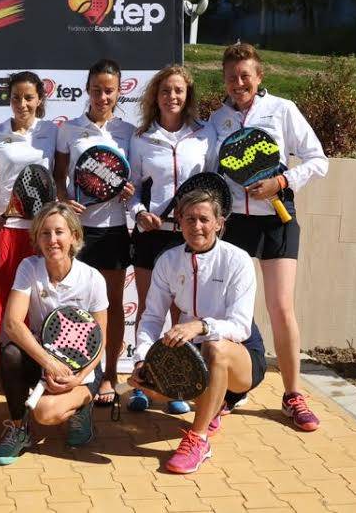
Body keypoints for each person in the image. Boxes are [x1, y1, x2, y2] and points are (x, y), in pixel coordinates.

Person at [208, 43, 328, 431]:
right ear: (224, 80)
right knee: (230, 310)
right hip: (234, 225)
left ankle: (293, 394)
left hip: (278, 220)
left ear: (259, 77)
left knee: (280, 308)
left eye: (245, 75)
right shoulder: (216, 119)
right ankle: (230, 390)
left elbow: (318, 160)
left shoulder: (282, 109)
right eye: (231, 77)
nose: (238, 83)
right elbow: (211, 171)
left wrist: (281, 181)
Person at [129, 189, 266, 474]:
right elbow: (152, 317)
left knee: (216, 347)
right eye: (189, 219)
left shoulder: (238, 260)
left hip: (241, 356)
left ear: (219, 223)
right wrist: (142, 358)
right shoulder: (168, 260)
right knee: (152, 389)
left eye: (204, 219)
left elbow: (241, 326)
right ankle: (214, 405)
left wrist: (201, 325)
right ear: (179, 221)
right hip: (196, 353)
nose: (197, 226)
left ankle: (199, 438)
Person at [126, 65, 216, 414]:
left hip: (188, 238)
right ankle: (143, 381)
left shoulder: (204, 135)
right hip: (151, 235)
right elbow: (132, 189)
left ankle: (175, 384)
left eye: (179, 90)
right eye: (165, 90)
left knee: (182, 315)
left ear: (187, 95)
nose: (172, 97)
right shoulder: (141, 138)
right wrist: (139, 214)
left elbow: (212, 185)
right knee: (149, 311)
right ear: (156, 96)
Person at [0, 203, 108, 466]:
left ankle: (82, 405)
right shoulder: (29, 267)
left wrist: (77, 378)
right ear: (37, 238)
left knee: (44, 413)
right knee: (10, 354)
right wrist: (50, 363)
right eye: (45, 233)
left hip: (82, 367)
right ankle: (19, 429)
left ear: (74, 237)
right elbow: (12, 324)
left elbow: (101, 341)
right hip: (45, 360)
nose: (52, 239)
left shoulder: (93, 279)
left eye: (59, 232)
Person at [53, 59, 135, 409]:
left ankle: (110, 375)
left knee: (112, 306)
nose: (103, 97)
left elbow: (134, 178)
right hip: (76, 232)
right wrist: (64, 199)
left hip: (113, 229)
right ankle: (74, 373)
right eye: (97, 89)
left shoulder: (129, 132)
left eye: (109, 90)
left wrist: (129, 190)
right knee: (71, 306)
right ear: (87, 89)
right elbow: (58, 175)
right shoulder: (68, 130)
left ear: (119, 92)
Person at [0, 71, 58, 396]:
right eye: (16, 98)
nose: (22, 104)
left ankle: (30, 370)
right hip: (5, 230)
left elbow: (58, 180)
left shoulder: (52, 132)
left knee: (34, 303)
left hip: (40, 232)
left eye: (29, 97)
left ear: (39, 99)